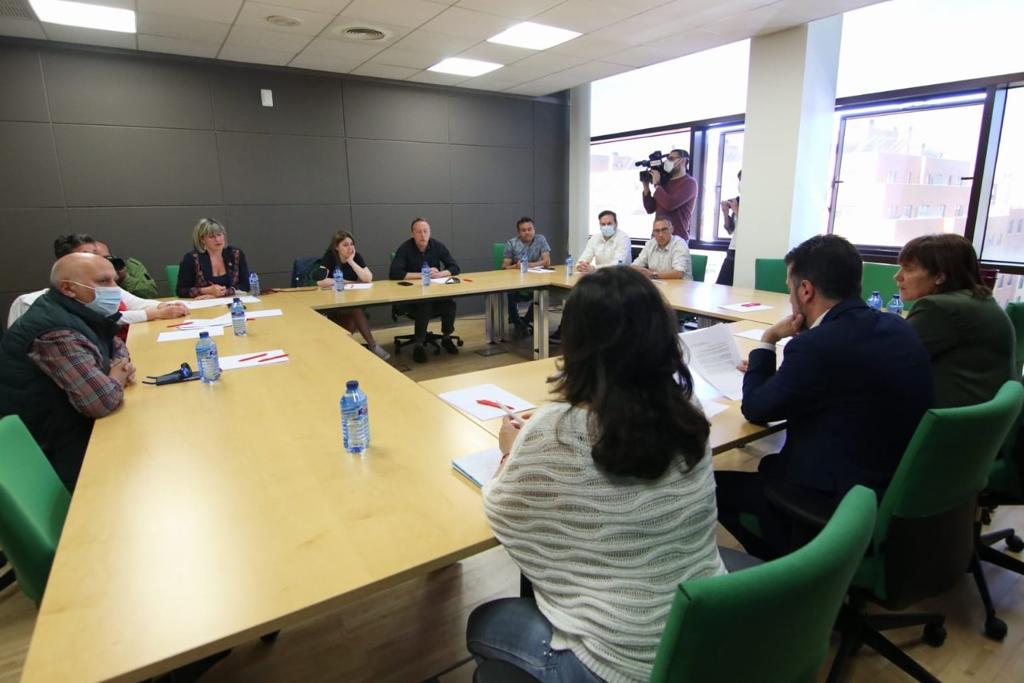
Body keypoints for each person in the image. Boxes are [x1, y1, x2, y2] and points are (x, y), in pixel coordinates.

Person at [468, 267, 724, 682]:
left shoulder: (556, 428)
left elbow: (501, 507)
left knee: (484, 622)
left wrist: (510, 451)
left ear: (577, 345)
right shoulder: (688, 415)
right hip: (703, 635)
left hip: (618, 664)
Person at [716, 234, 933, 560]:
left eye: (790, 289)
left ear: (806, 290)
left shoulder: (816, 346)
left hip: (834, 496)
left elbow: (757, 408)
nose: (791, 298)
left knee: (710, 487)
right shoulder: (898, 326)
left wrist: (769, 338)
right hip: (890, 486)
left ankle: (789, 572)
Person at [0, 253, 135, 490]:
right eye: (103, 282)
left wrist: (113, 372)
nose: (114, 289)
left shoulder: (79, 312)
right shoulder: (55, 331)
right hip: (52, 452)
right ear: (68, 289)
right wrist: (114, 377)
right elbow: (100, 401)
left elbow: (117, 347)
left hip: (69, 424)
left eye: (115, 280)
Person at [896, 234, 1015, 408]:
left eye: (908, 269)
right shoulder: (979, 299)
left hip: (946, 422)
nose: (897, 277)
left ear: (941, 276)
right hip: (982, 420)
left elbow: (887, 359)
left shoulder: (937, 308)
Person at [7, 234, 187, 329]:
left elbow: (138, 303)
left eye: (101, 255)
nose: (102, 260)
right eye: (90, 256)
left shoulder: (104, 286)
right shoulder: (34, 305)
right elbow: (107, 319)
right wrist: (154, 313)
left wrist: (164, 307)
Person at [389, 218, 461, 363]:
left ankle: (446, 338)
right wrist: (423, 274)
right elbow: (395, 273)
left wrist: (441, 274)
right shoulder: (405, 248)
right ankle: (419, 345)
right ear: (412, 234)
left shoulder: (437, 246)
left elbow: (455, 267)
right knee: (424, 304)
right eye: (419, 232)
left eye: (425, 231)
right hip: (411, 298)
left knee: (449, 303)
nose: (423, 235)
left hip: (434, 294)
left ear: (429, 232)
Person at [316, 230, 390, 361]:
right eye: (345, 245)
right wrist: (347, 282)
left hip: (351, 302)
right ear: (336, 247)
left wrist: (351, 261)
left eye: (352, 244)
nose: (350, 247)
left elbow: (368, 278)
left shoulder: (356, 257)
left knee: (351, 320)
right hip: (334, 304)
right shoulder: (330, 256)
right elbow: (321, 281)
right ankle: (372, 345)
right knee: (355, 310)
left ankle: (340, 352)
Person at [501, 216, 552, 337]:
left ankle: (525, 321)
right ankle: (517, 322)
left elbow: (547, 261)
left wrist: (529, 265)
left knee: (543, 292)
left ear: (534, 229)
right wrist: (515, 266)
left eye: (530, 229)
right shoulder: (512, 243)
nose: (527, 232)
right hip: (516, 280)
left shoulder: (541, 239)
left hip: (537, 278)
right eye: (523, 230)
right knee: (510, 293)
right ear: (519, 232)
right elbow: (504, 267)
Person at [176, 218, 251, 299]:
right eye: (211, 237)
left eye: (219, 235)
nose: (217, 240)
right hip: (204, 307)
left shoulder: (236, 254)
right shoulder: (192, 259)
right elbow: (181, 290)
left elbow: (246, 285)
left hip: (234, 303)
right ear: (202, 239)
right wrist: (205, 290)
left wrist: (223, 293)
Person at [642, 149, 698, 241]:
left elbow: (670, 204)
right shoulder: (664, 182)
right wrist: (646, 186)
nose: (668, 162)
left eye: (671, 158)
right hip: (657, 237)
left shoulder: (689, 183)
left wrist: (657, 185)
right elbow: (650, 208)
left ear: (683, 160)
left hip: (677, 238)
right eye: (667, 159)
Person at [93, 240, 159, 299]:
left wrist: (124, 278)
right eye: (96, 259)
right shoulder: (84, 274)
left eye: (106, 258)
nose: (102, 262)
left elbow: (150, 294)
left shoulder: (128, 267)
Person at [717, 170, 741, 285]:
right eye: (739, 180)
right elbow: (730, 229)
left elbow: (750, 228)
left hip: (745, 249)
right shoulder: (738, 200)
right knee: (722, 285)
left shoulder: (754, 202)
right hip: (733, 248)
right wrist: (725, 213)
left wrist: (736, 210)